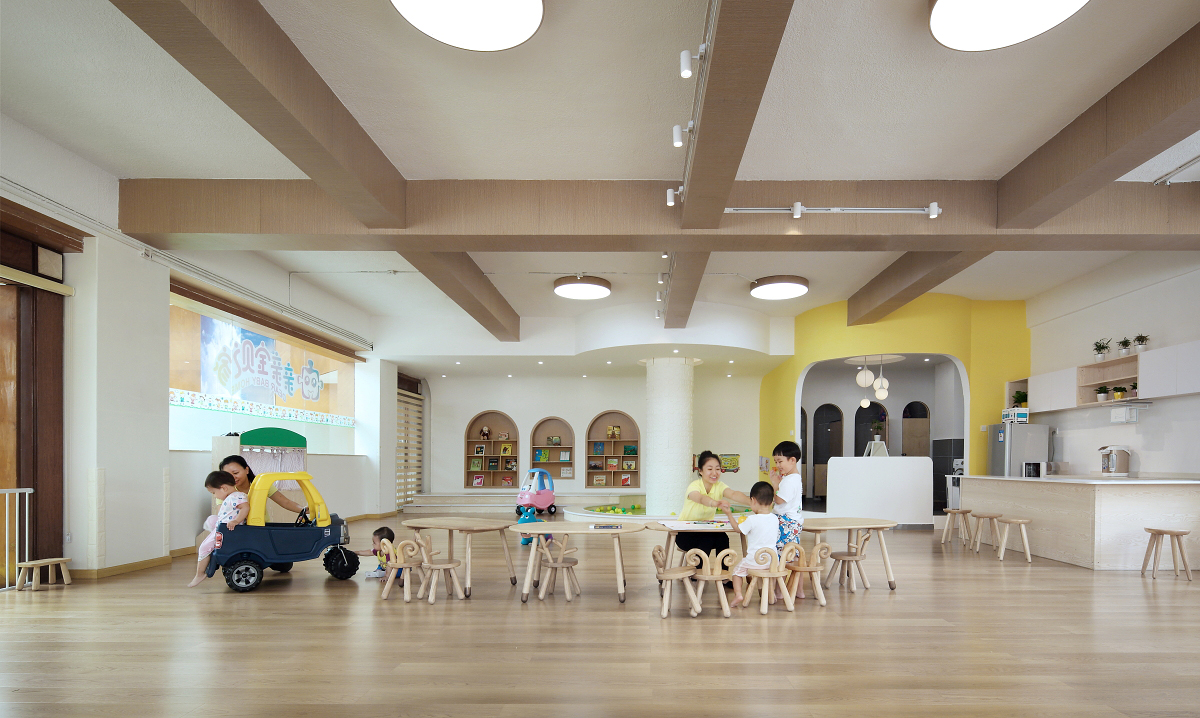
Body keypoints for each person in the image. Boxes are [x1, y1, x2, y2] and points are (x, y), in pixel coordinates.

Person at [675, 450, 755, 556]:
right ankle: (700, 567)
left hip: (706, 530)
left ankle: (723, 567)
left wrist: (752, 503)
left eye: (717, 469)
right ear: (700, 471)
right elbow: (700, 498)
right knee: (707, 539)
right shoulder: (694, 486)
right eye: (709, 469)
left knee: (723, 538)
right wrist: (714, 503)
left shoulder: (719, 486)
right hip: (685, 533)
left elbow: (733, 494)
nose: (714, 473)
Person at [720, 481, 779, 608]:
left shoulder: (752, 520)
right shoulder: (775, 518)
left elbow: (738, 529)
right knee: (770, 571)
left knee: (736, 573)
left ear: (753, 500)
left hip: (755, 560)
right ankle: (771, 593)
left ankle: (738, 594)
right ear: (771, 503)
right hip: (772, 561)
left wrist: (729, 514)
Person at [189, 471, 249, 588]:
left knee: (204, 547)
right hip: (223, 527)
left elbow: (245, 508)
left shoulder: (236, 496)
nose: (215, 496)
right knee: (211, 520)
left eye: (214, 492)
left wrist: (236, 521)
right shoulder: (231, 497)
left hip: (226, 530)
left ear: (224, 488)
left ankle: (199, 574)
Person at [219, 455, 307, 519]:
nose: (232, 478)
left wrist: (304, 510)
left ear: (246, 470)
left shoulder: (262, 484)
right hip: (236, 529)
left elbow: (285, 502)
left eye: (235, 473)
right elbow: (222, 515)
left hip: (261, 527)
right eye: (227, 475)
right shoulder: (223, 491)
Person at [768, 440, 805, 551]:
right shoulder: (791, 478)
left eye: (780, 461)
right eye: (776, 462)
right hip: (790, 520)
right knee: (788, 550)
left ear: (792, 460)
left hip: (786, 521)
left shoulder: (790, 480)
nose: (777, 465)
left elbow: (779, 500)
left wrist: (775, 484)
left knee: (784, 551)